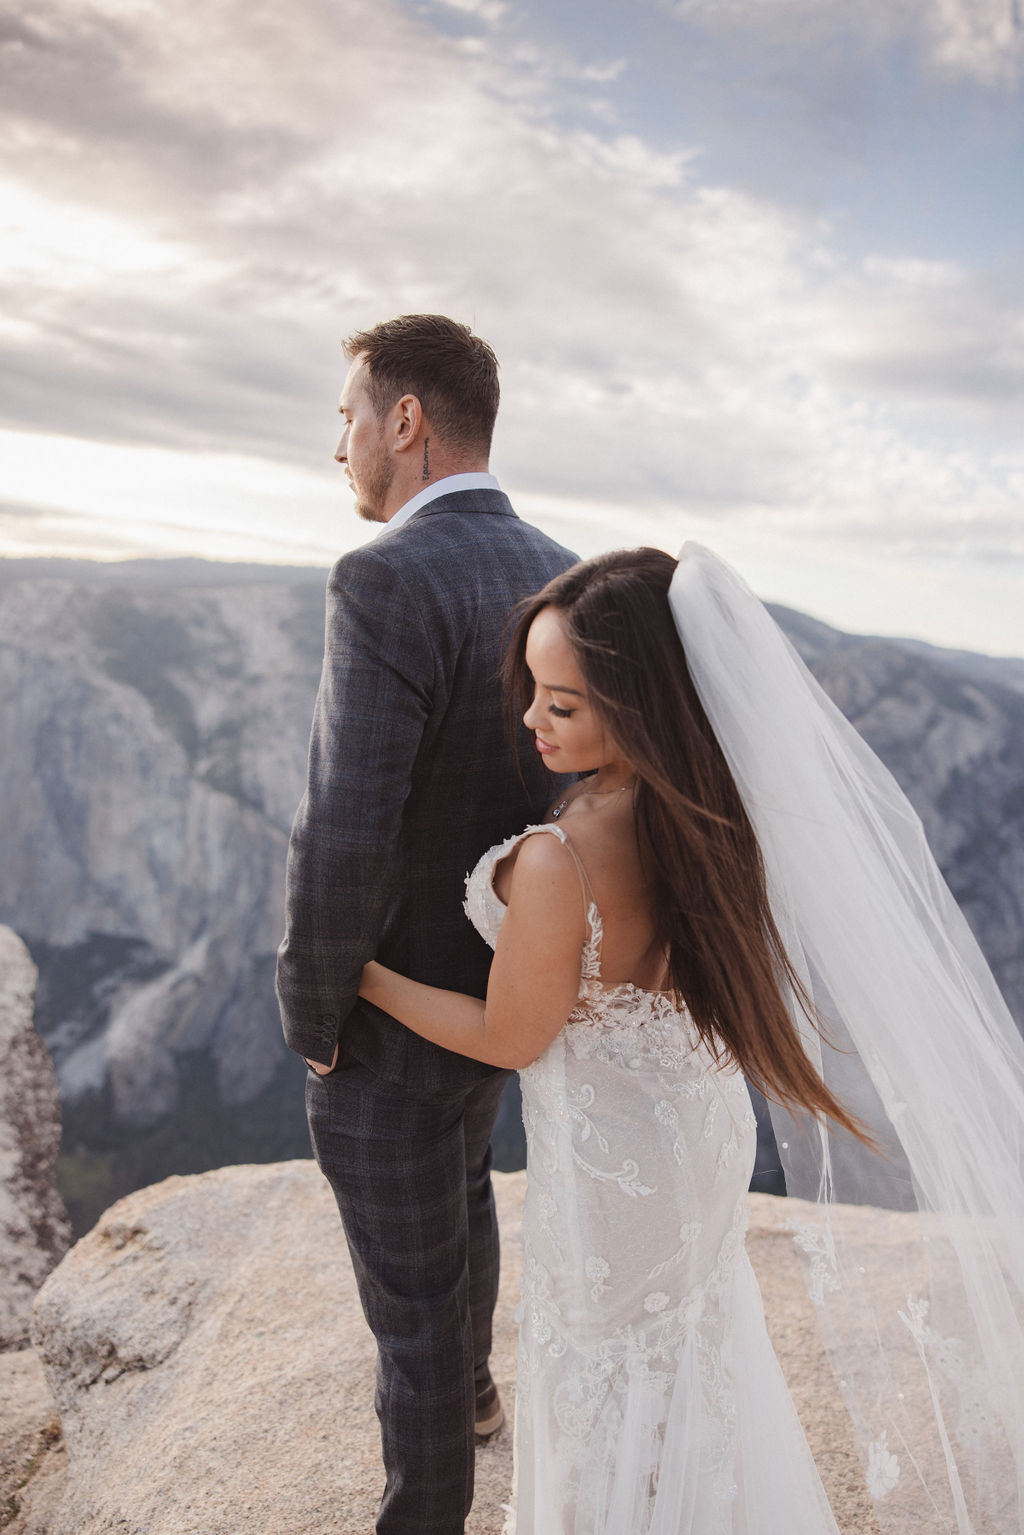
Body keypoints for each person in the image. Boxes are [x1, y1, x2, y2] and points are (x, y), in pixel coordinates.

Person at [358, 544, 1024, 1534]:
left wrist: (360, 979)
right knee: (688, 1349)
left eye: (563, 704)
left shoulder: (558, 858)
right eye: (532, 692)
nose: (531, 719)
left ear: (637, 709)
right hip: (696, 1129)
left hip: (613, 1165)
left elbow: (510, 1034)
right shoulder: (710, 816)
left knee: (602, 1366)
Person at [275, 314, 576, 1535]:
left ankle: (427, 1509)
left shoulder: (382, 576)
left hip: (396, 1002)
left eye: (347, 415)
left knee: (406, 1299)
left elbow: (343, 827)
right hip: (504, 992)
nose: (337, 444)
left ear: (405, 421)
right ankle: (479, 1391)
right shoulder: (560, 567)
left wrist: (316, 1004)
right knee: (460, 1187)